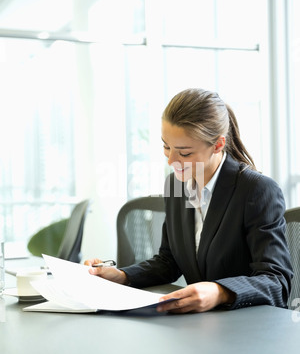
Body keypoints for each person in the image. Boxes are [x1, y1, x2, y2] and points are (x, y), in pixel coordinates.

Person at [85, 88, 293, 313]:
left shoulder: (256, 190)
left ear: (218, 144)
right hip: (198, 328)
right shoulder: (176, 185)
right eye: (166, 147)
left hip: (247, 327)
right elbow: (169, 261)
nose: (172, 161)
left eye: (184, 153)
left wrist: (220, 291)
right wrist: (123, 276)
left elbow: (277, 281)